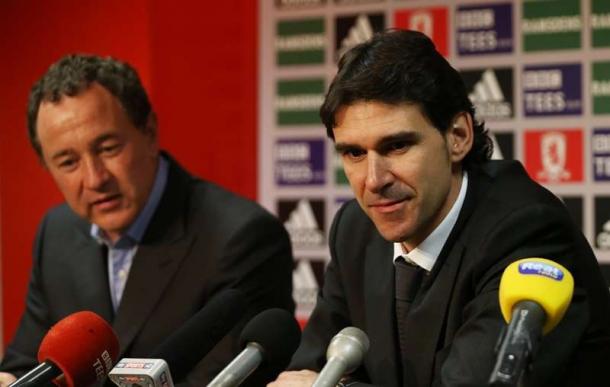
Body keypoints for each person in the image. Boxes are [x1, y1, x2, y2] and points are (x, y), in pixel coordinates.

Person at [269, 30, 610, 387]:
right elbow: (310, 370)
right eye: (354, 153)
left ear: (458, 137)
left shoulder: (525, 229)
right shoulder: (356, 230)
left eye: (397, 146)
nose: (373, 180)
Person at [0, 54, 294, 386]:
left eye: (108, 148)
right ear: (47, 167)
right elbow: (27, 363)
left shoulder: (242, 237)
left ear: (150, 133)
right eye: (68, 162)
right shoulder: (57, 232)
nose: (95, 178)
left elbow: (224, 381)